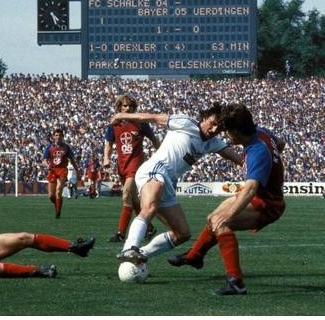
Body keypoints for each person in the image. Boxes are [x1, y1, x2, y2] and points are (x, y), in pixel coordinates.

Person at [167, 104, 286, 295]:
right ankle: (195, 256)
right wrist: (276, 158)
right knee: (212, 217)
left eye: (228, 131)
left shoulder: (257, 152)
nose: (226, 136)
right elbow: (280, 143)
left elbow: (250, 190)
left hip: (268, 204)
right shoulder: (261, 132)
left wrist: (229, 215)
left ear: (236, 131)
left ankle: (236, 282)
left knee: (221, 222)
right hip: (260, 196)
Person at [114, 102, 243, 266]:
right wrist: (121, 116)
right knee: (150, 207)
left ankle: (140, 254)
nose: (213, 130)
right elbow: (152, 118)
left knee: (182, 234)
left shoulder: (213, 142)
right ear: (204, 117)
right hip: (155, 170)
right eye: (213, 124)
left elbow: (234, 157)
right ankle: (129, 247)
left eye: (218, 129)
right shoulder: (185, 123)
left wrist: (257, 167)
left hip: (168, 183)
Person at [103, 95, 161, 243]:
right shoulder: (114, 126)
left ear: (134, 108)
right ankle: (149, 228)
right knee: (135, 201)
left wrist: (161, 155)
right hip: (122, 165)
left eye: (130, 106)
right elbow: (108, 144)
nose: (127, 108)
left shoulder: (141, 124)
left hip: (136, 165)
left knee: (126, 194)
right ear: (119, 108)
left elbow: (154, 140)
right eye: (124, 106)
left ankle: (121, 233)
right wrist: (106, 158)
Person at [43, 128, 80, 218]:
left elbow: (72, 160)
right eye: (56, 135)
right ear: (53, 137)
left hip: (62, 170)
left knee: (58, 190)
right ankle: (57, 205)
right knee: (51, 195)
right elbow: (44, 160)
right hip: (52, 170)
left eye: (60, 135)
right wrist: (47, 165)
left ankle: (58, 212)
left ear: (62, 136)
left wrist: (77, 170)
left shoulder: (66, 147)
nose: (58, 137)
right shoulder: (50, 147)